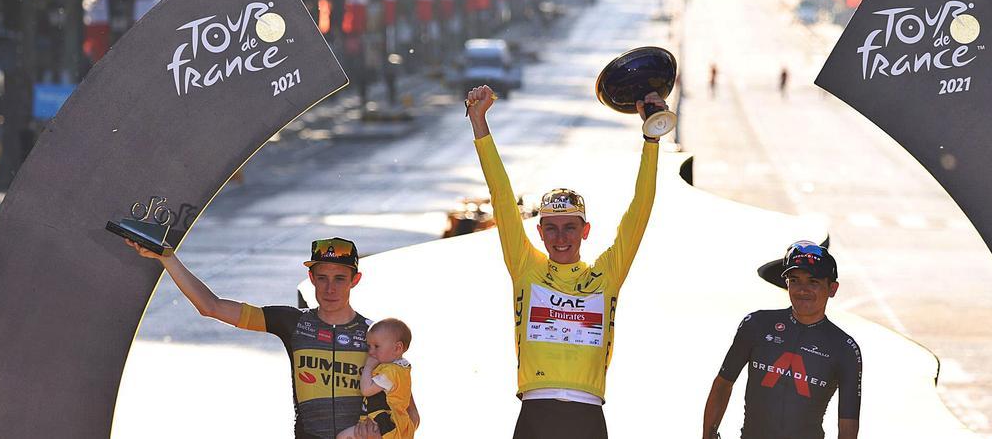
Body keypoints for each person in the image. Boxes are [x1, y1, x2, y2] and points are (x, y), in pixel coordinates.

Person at [465, 84, 663, 439]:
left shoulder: (607, 273)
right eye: (551, 229)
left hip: (588, 413)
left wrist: (652, 140)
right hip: (535, 410)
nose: (560, 238)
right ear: (539, 232)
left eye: (569, 228)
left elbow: (640, 210)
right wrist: (479, 122)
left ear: (585, 230)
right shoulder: (527, 266)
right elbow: (502, 196)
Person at [126, 236, 417, 439]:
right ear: (312, 278)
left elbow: (411, 415)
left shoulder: (375, 335)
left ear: (355, 280)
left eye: (340, 278)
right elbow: (211, 306)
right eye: (322, 278)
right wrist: (168, 258)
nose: (330, 288)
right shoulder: (292, 322)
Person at [702, 241, 861, 439]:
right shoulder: (756, 325)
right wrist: (708, 435)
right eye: (795, 280)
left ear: (832, 289)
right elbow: (722, 385)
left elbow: (848, 421)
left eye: (813, 282)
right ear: (786, 284)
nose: (803, 290)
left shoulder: (845, 348)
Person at [338, 318, 416, 439]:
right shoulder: (401, 369)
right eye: (369, 346)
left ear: (397, 348)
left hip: (384, 424)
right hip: (385, 424)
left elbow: (366, 390)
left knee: (342, 437)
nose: (371, 351)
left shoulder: (391, 372)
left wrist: (368, 367)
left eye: (376, 346)